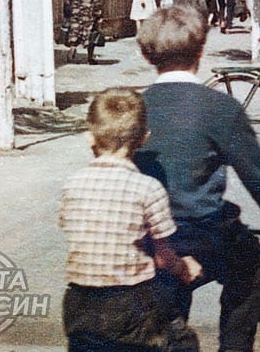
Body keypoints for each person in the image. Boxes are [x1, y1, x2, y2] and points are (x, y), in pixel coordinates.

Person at [133, 6, 260, 350]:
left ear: (146, 55)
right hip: (202, 232)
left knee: (167, 301)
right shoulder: (219, 108)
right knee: (253, 264)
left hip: (145, 239)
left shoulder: (133, 107)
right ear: (200, 51)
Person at [58, 87, 201, 351]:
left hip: (79, 303)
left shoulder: (71, 184)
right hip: (131, 304)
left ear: (89, 137)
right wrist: (184, 267)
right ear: (144, 138)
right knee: (182, 342)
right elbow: (163, 257)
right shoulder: (148, 188)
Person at [63, 0, 103, 64]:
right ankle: (90, 58)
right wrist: (99, 14)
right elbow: (96, 1)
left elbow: (67, 0)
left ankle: (72, 51)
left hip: (75, 13)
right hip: (88, 15)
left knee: (75, 33)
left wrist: (67, 13)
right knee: (90, 35)